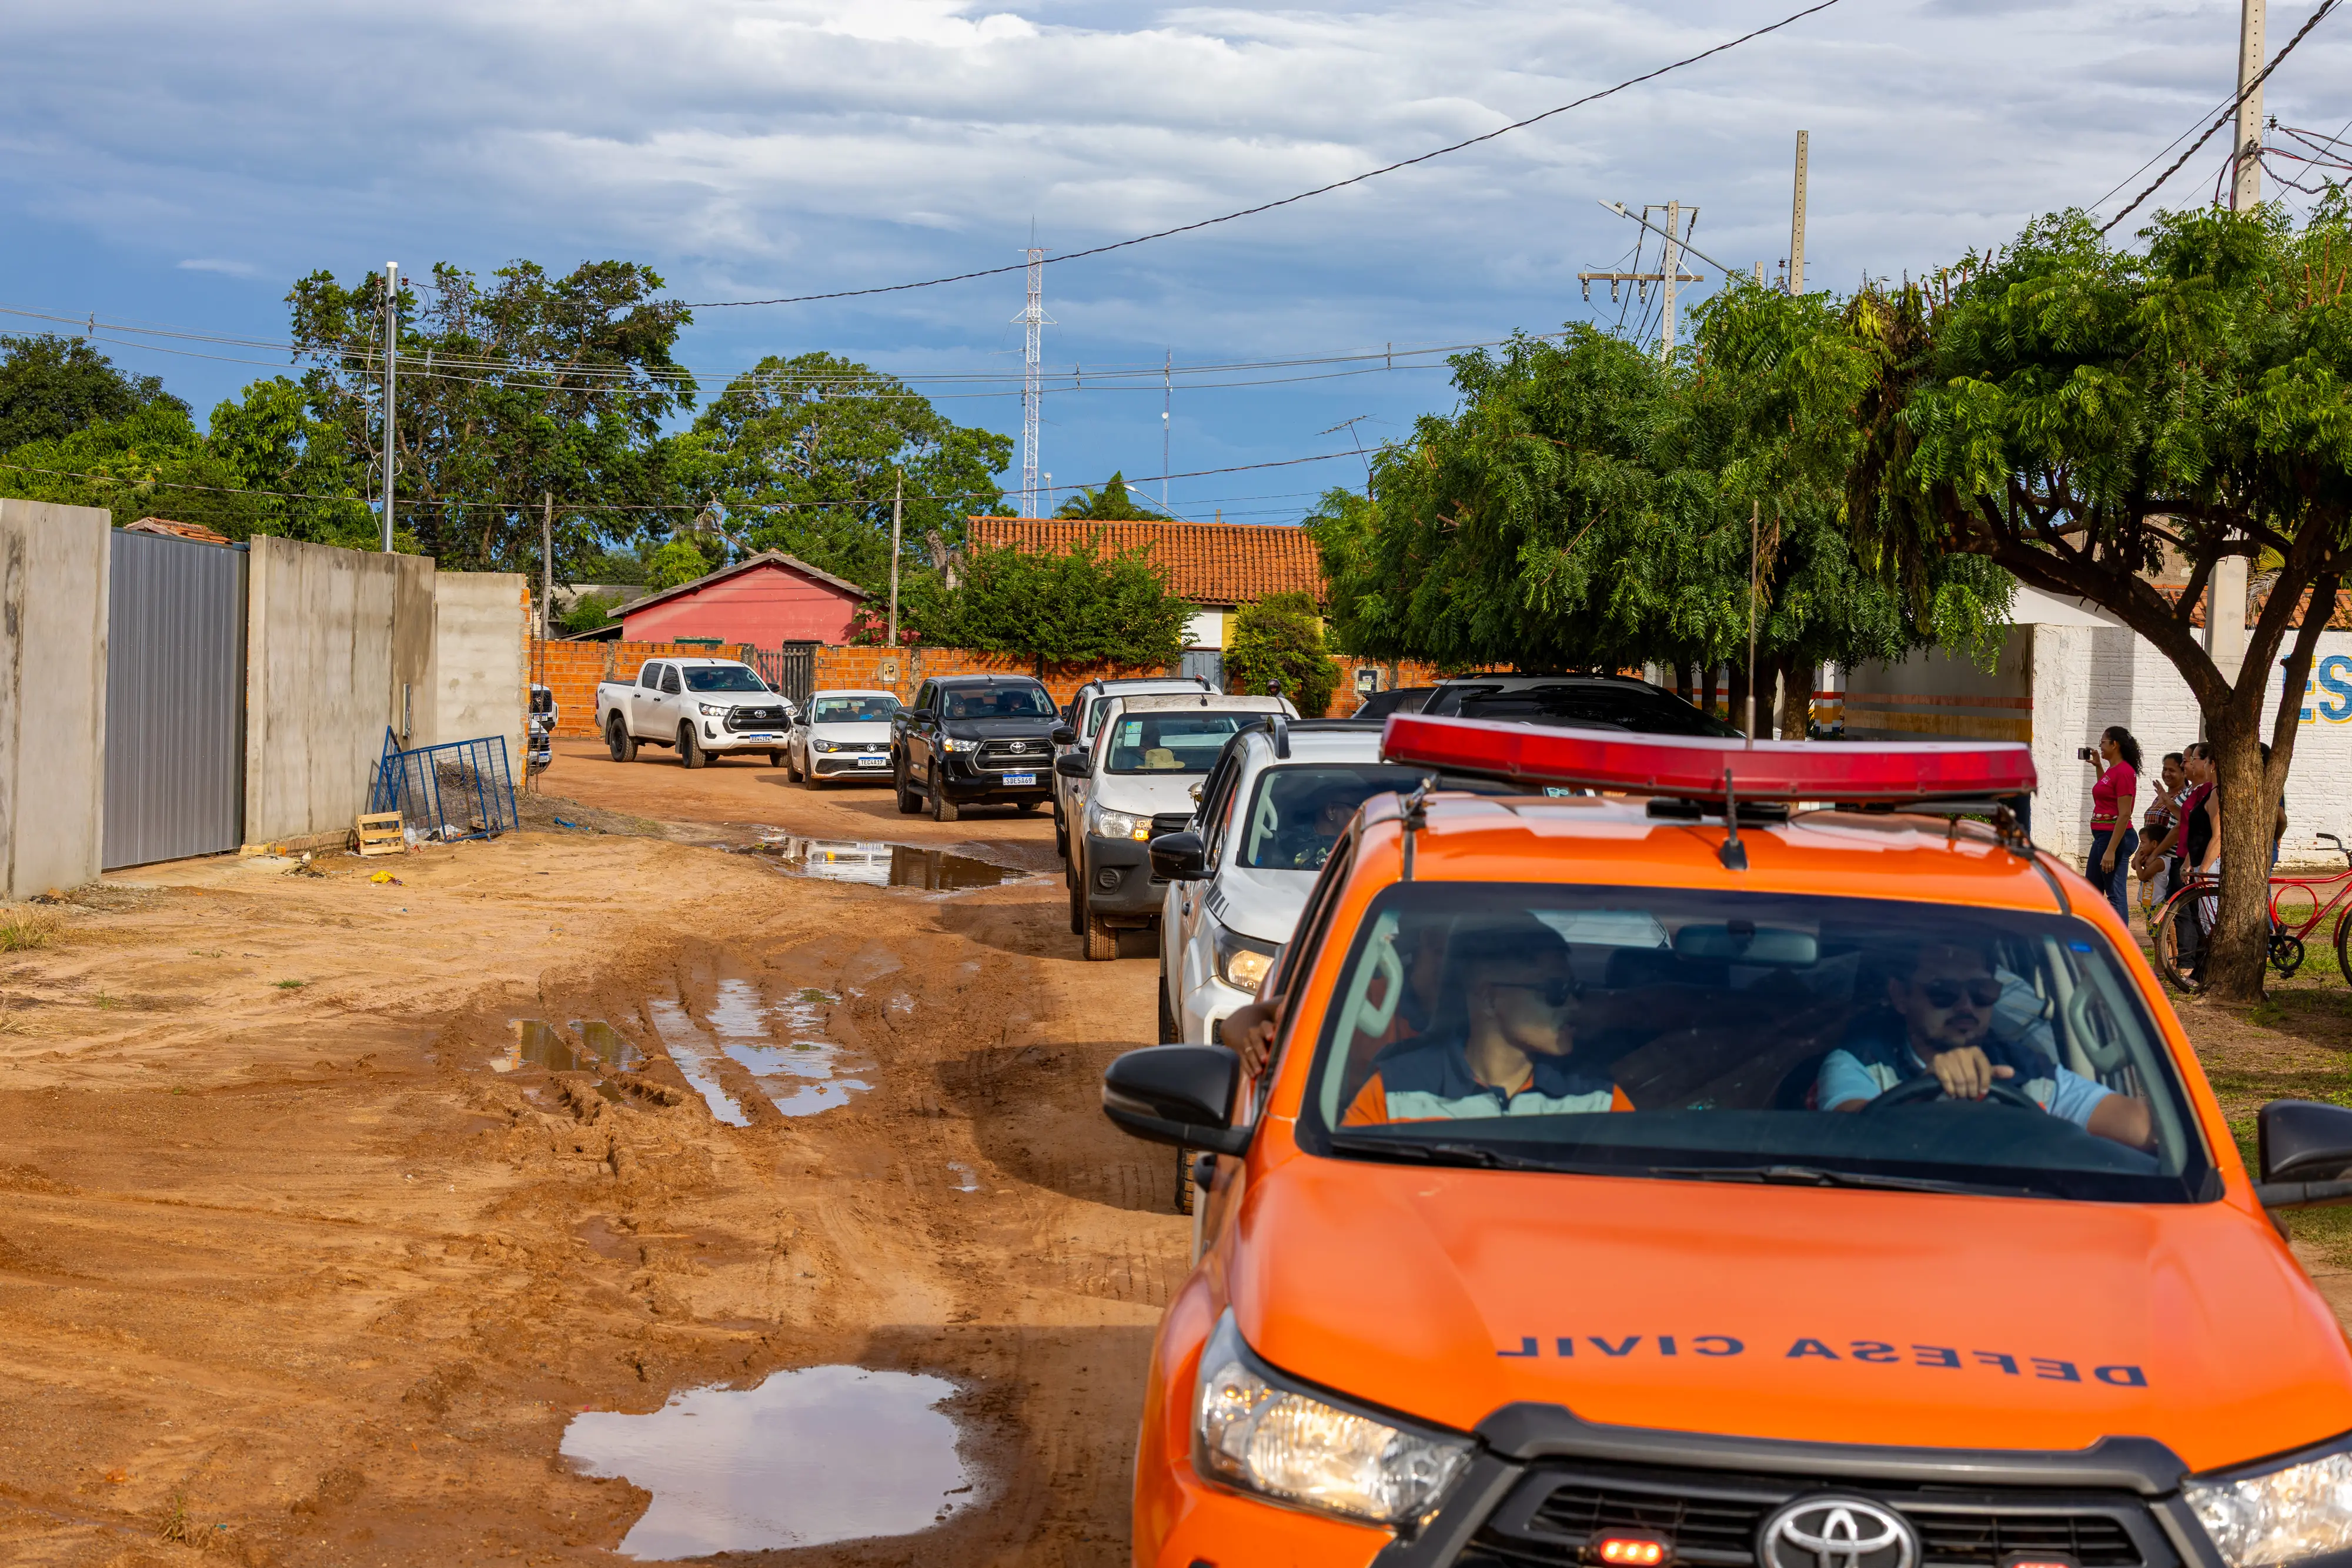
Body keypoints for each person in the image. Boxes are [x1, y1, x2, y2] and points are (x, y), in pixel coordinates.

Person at [1816, 939, 2153, 1149]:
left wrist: (2181, 1129)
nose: (1966, 1006)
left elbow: (2140, 1126)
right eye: (1943, 992)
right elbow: (1847, 1136)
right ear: (1900, 996)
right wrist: (1925, 1089)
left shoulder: (2027, 1072)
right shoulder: (1861, 1063)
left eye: (1982, 992)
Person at [1340, 932, 1622, 1122]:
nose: (1573, 1005)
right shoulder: (1393, 1090)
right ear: (1489, 998)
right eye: (1556, 991)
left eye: (1576, 989)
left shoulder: (1597, 1097)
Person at [2085, 726, 2140, 921]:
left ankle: (2119, 945)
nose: (2100, 746)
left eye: (2103, 742)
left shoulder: (2124, 772)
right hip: (2102, 836)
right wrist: (2099, 767)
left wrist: (2111, 850)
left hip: (2114, 838)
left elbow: (2124, 814)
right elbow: (2106, 793)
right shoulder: (2112, 770)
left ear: (2114, 744)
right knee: (2092, 888)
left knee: (2115, 894)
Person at [2131, 752, 2188, 914]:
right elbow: (2149, 830)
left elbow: (2177, 829)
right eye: (2165, 769)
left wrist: (2154, 854)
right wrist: (2139, 854)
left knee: (2168, 909)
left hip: (2167, 859)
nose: (2167, 774)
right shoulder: (2161, 797)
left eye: (2172, 770)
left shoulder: (2181, 799)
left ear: (2184, 772)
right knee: (2152, 907)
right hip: (2152, 857)